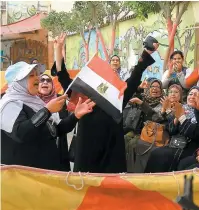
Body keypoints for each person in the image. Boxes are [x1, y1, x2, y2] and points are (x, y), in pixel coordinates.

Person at [53, 34, 159, 173]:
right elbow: (63, 76)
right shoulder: (84, 96)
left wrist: (146, 53)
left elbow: (135, 75)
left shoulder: (118, 97)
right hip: (87, 153)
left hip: (112, 154)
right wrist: (58, 49)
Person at [0, 62, 95, 169]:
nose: (37, 78)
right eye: (31, 75)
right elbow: (22, 134)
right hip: (24, 177)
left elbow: (56, 130)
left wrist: (76, 116)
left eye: (37, 74)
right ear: (18, 82)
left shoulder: (35, 102)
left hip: (43, 173)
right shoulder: (9, 104)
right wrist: (47, 110)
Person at [145, 86, 199, 173]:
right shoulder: (182, 107)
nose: (192, 96)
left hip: (191, 148)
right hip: (176, 144)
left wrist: (181, 117)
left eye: (196, 95)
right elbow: (171, 130)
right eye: (190, 94)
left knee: (161, 155)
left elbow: (196, 133)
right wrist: (176, 117)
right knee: (156, 153)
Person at [38, 73, 71, 170]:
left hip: (59, 146)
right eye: (42, 80)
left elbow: (65, 121)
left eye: (48, 81)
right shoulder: (31, 101)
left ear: (52, 85)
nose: (45, 82)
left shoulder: (60, 99)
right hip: (39, 149)